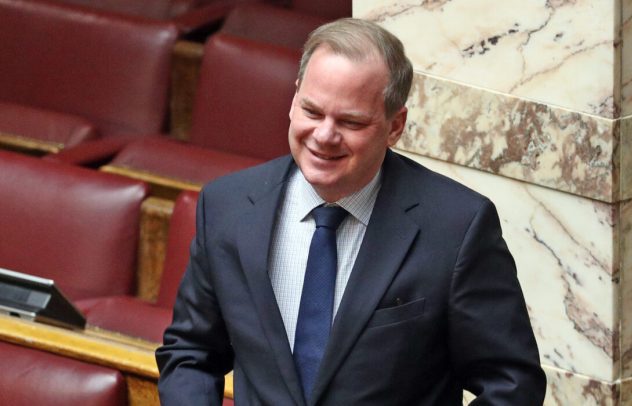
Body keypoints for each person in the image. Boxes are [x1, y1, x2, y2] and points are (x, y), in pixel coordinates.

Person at [156, 18, 546, 405]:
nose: (324, 136)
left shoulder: (457, 227)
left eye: (350, 121)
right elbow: (190, 353)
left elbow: (512, 384)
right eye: (312, 111)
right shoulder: (227, 206)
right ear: (294, 99)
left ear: (395, 126)